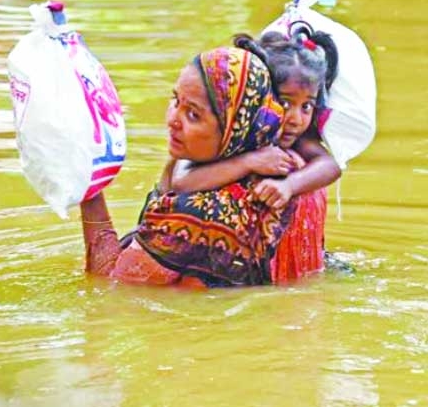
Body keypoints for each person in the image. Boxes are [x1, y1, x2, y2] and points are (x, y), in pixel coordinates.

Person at [79, 46, 290, 288]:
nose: (172, 120)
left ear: (232, 131)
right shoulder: (251, 181)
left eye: (193, 115)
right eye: (175, 100)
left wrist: (89, 185)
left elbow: (112, 288)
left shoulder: (197, 212)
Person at [168, 31, 341, 282]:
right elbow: (181, 181)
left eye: (306, 106)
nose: (295, 118)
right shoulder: (222, 135)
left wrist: (288, 185)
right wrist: (249, 162)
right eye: (284, 102)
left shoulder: (299, 143)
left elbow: (331, 166)